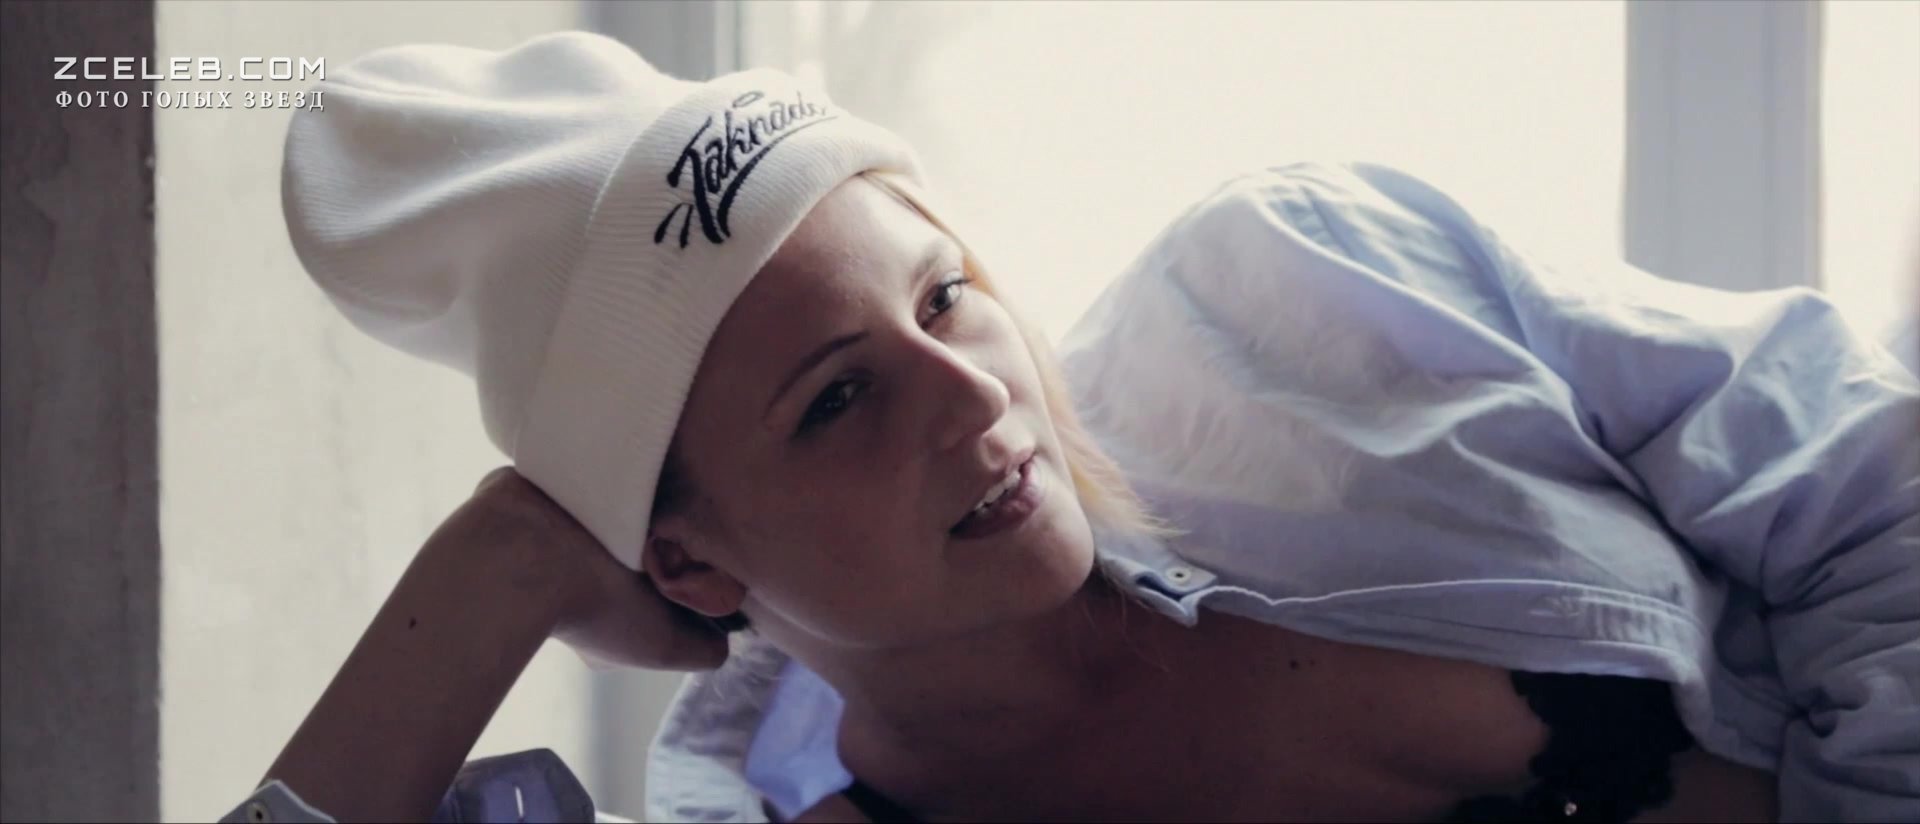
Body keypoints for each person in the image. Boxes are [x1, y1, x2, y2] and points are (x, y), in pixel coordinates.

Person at [226, 32, 1918, 823]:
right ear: (687, 559)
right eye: (837, 400)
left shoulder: (1311, 290)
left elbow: (1872, 481)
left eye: (945, 295)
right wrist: (496, 573)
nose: (974, 392)